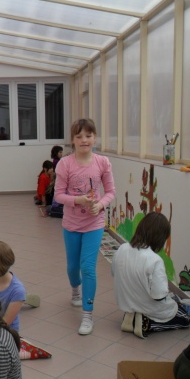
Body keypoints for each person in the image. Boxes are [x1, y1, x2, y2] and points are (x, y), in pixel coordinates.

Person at [54, 118, 116, 335]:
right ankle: (75, 289)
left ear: (95, 138)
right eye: (79, 136)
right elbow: (58, 196)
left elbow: (111, 192)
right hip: (71, 225)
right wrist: (78, 200)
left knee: (88, 267)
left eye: (88, 136)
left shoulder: (103, 163)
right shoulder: (65, 164)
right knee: (73, 267)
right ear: (73, 140)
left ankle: (88, 315)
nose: (84, 140)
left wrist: (100, 204)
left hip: (94, 224)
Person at [112, 212, 190, 339]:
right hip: (148, 308)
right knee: (185, 318)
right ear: (160, 238)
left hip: (127, 303)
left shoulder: (122, 248)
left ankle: (132, 316)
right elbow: (158, 296)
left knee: (172, 303)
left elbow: (114, 272)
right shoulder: (155, 260)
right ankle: (148, 323)